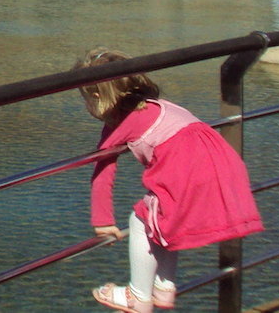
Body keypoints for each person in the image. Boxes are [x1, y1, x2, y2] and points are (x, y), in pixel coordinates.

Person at [77, 48, 263, 313]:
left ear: (96, 96)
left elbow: (103, 170)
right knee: (164, 219)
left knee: (141, 221)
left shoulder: (120, 124)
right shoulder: (157, 106)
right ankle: (164, 286)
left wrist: (103, 220)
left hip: (188, 168)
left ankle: (138, 296)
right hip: (221, 161)